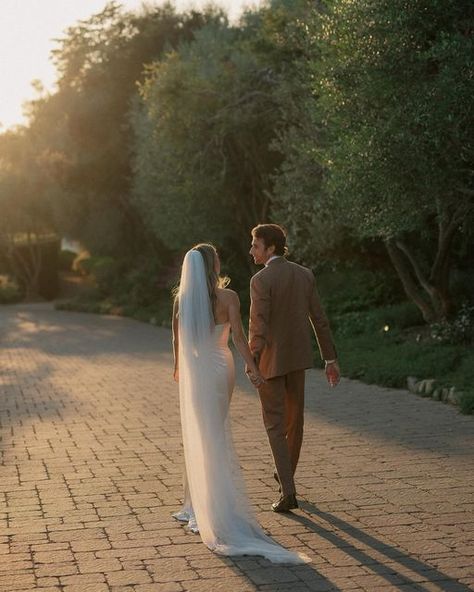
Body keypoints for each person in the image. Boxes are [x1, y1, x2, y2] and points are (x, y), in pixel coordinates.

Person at [171, 243, 310, 564]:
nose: (221, 261)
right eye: (217, 259)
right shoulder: (229, 298)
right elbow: (237, 337)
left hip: (197, 370)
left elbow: (178, 341)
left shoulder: (183, 299)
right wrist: (254, 368)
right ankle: (209, 503)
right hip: (221, 367)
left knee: (199, 432)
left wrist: (179, 368)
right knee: (215, 431)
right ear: (211, 266)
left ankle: (195, 502)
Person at [248, 224, 340, 513]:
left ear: (270, 248)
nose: (251, 250)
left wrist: (252, 361)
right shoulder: (305, 275)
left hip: (270, 363)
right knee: (294, 423)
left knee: (275, 425)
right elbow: (319, 319)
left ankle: (288, 491)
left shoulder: (260, 280)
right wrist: (330, 358)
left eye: (255, 244)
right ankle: (286, 474)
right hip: (298, 361)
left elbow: (258, 326)